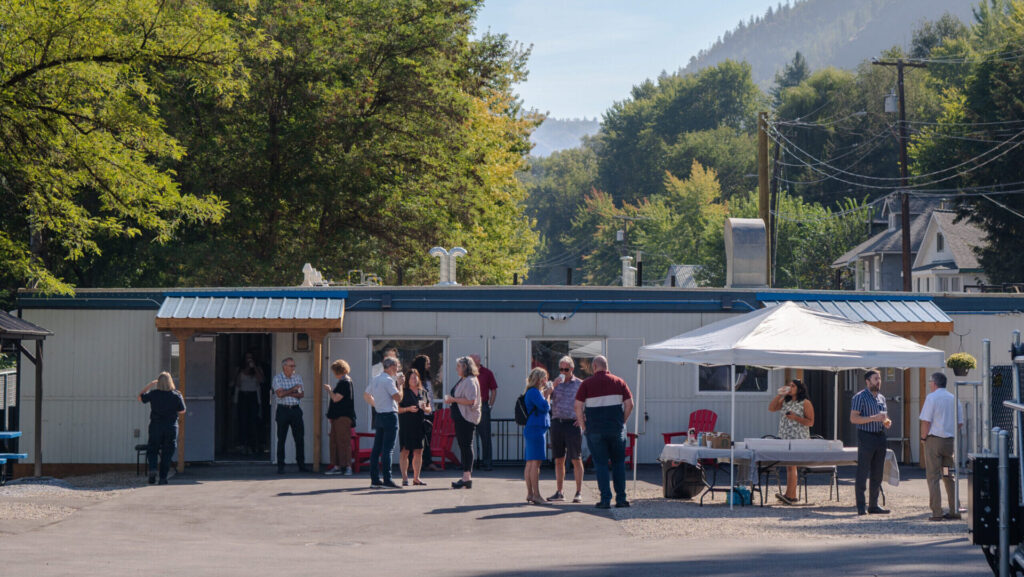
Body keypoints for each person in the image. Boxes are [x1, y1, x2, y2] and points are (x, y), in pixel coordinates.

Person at [574, 355, 634, 509]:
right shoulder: (619, 382)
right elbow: (630, 404)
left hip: (595, 430)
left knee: (601, 464)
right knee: (618, 463)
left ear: (594, 366)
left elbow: (577, 406)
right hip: (616, 429)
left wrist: (583, 426)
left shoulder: (587, 384)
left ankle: (605, 500)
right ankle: (621, 499)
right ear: (607, 366)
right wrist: (622, 421)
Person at [920, 371, 964, 521]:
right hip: (949, 443)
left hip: (934, 442)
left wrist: (923, 437)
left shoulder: (931, 398)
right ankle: (954, 510)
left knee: (933, 476)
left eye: (930, 382)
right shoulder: (953, 398)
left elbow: (926, 421)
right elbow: (960, 423)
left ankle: (937, 512)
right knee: (947, 475)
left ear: (934, 383)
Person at [850, 369, 891, 515]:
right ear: (867, 381)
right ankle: (861, 506)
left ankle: (873, 505)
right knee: (863, 471)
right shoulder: (859, 397)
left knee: (877, 472)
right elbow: (853, 418)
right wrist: (873, 418)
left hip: (880, 436)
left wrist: (887, 421)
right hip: (866, 436)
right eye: (875, 379)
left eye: (879, 379)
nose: (878, 381)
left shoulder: (881, 398)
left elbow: (884, 417)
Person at [768, 378, 814, 505]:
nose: (790, 388)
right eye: (789, 385)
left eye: (793, 386)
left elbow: (810, 422)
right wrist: (780, 394)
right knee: (789, 465)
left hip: (798, 438)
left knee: (792, 465)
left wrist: (795, 418)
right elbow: (771, 408)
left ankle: (790, 495)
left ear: (799, 389)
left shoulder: (805, 403)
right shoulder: (785, 401)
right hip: (785, 437)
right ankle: (790, 495)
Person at [138, 372, 186, 485]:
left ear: (158, 383)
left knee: (152, 449)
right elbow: (182, 410)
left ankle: (153, 469)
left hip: (156, 426)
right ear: (170, 382)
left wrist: (150, 384)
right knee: (167, 453)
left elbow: (140, 397)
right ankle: (163, 478)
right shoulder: (176, 395)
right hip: (171, 427)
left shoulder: (153, 394)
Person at [548, 355, 584, 503]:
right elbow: (544, 398)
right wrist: (553, 386)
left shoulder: (580, 384)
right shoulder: (555, 383)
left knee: (576, 458)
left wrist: (583, 417)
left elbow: (588, 402)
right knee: (558, 459)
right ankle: (559, 491)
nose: (563, 372)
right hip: (557, 422)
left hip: (572, 424)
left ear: (572, 369)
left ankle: (578, 492)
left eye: (566, 369)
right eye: (561, 369)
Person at [364, 356, 402, 488]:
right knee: (388, 449)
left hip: (379, 415)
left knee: (377, 449)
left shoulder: (376, 378)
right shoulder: (389, 380)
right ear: (391, 367)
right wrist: (400, 385)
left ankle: (375, 479)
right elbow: (398, 398)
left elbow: (366, 395)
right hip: (390, 415)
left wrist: (377, 405)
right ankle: (387, 479)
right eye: (396, 367)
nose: (397, 370)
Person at [446, 356, 481, 489]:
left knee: (466, 445)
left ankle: (467, 477)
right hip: (461, 417)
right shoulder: (464, 380)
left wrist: (453, 399)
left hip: (466, 418)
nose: (457, 369)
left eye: (459, 366)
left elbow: (471, 401)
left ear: (465, 367)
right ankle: (466, 476)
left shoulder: (470, 381)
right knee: (463, 445)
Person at [272, 357, 308, 474]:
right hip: (283, 410)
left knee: (299, 438)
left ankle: (301, 464)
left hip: (295, 409)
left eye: (294, 366)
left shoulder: (298, 377)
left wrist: (287, 392)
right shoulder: (277, 378)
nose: (293, 368)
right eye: (291, 366)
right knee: (281, 439)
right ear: (284, 367)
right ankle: (280, 465)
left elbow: (301, 394)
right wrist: (293, 389)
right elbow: (280, 394)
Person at [523, 367, 552, 505]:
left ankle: (530, 493)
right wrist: (548, 394)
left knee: (530, 462)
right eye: (545, 378)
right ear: (540, 379)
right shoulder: (534, 392)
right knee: (535, 463)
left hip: (532, 428)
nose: (546, 381)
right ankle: (536, 495)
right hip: (537, 429)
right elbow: (545, 407)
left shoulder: (531, 391)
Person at [323, 359, 356, 476]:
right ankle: (337, 466)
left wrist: (329, 390)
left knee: (343, 442)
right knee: (335, 442)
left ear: (337, 371)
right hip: (337, 417)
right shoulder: (344, 382)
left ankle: (347, 466)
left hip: (343, 417)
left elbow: (336, 398)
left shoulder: (345, 382)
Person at [398, 368, 431, 486]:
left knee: (418, 452)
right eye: (412, 377)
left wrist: (425, 408)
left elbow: (429, 409)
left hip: (419, 425)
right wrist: (408, 409)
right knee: (405, 452)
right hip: (406, 425)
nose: (414, 379)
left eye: (416, 377)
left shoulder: (423, 392)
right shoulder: (403, 392)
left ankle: (416, 478)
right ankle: (405, 478)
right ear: (407, 379)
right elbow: (397, 409)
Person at [231, 352, 264, 456]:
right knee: (243, 421)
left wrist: (254, 368)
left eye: (251, 358)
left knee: (253, 421)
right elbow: (236, 385)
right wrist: (235, 402)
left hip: (253, 396)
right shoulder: (240, 370)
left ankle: (253, 445)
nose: (249, 360)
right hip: (243, 396)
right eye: (247, 358)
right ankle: (243, 444)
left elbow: (261, 380)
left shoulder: (258, 369)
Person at [411, 355, 439, 471]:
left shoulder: (427, 378)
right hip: (419, 413)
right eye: (427, 363)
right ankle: (412, 463)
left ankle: (428, 462)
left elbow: (430, 395)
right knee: (416, 439)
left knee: (427, 439)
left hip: (429, 412)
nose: (429, 365)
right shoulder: (415, 379)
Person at [472, 353, 498, 471]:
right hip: (469, 406)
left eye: (472, 359)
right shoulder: (467, 373)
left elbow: (494, 390)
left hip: (483, 406)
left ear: (478, 360)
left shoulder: (487, 373)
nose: (470, 361)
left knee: (485, 436)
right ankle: (467, 463)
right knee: (466, 435)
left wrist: (490, 405)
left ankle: (487, 462)